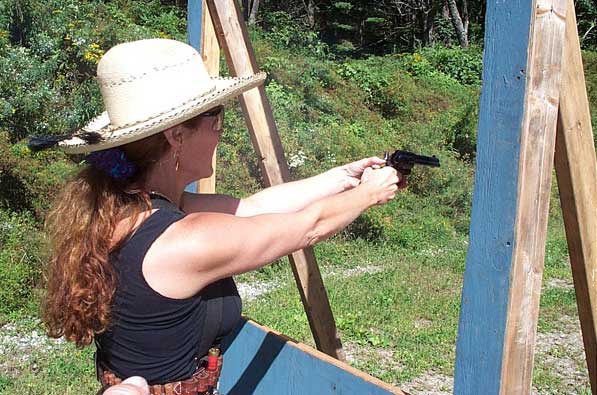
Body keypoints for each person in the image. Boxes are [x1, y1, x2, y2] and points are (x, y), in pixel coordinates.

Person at [37, 38, 402, 394]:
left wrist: (343, 178)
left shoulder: (128, 207)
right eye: (216, 119)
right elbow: (308, 227)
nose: (220, 133)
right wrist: (369, 194)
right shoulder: (185, 239)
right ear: (177, 136)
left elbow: (253, 208)